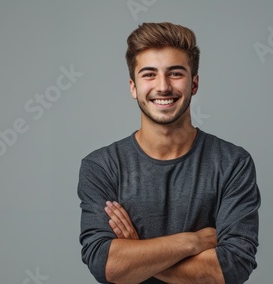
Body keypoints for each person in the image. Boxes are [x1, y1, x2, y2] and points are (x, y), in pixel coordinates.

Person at [78, 22, 261, 284]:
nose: (163, 87)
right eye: (149, 74)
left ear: (194, 83)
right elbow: (105, 265)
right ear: (133, 87)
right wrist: (193, 242)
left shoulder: (233, 163)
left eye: (175, 73)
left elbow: (232, 268)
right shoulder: (101, 166)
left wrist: (138, 251)